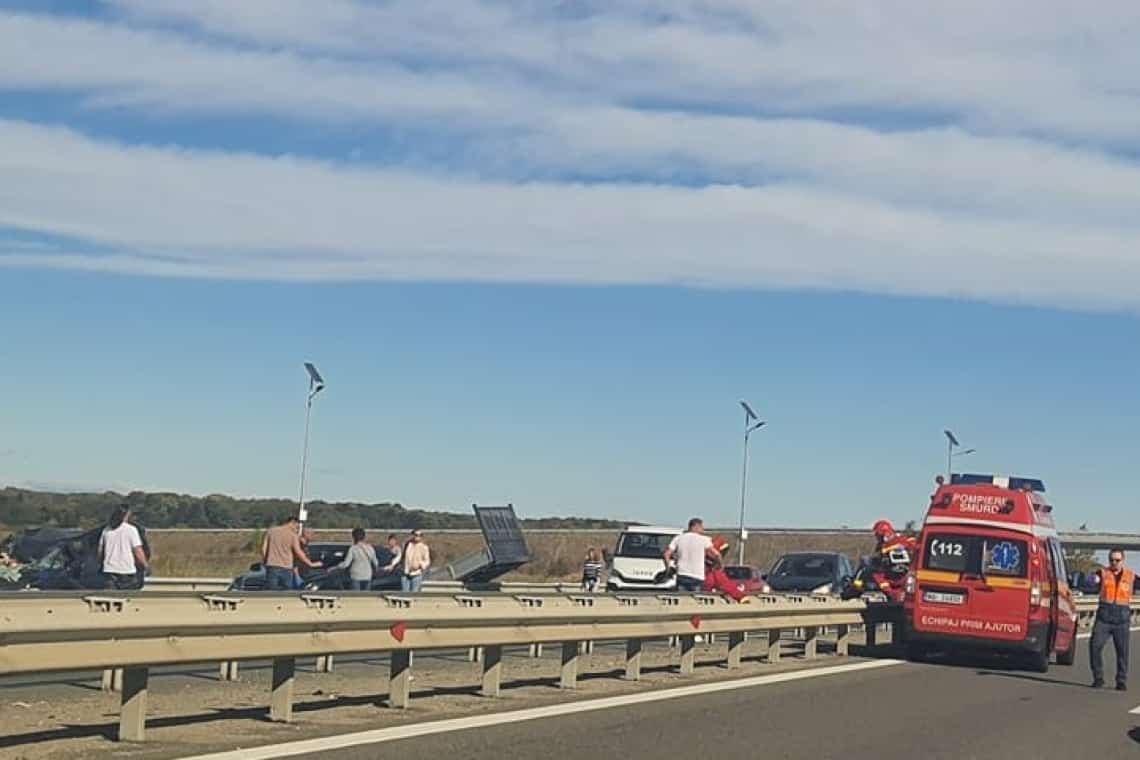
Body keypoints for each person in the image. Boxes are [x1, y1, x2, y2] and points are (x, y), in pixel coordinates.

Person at [1090, 548, 1133, 690]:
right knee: (1095, 647)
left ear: (1123, 560)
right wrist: (1092, 580)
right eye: (1111, 560)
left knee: (1122, 652)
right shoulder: (1102, 574)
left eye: (1117, 560)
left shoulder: (1131, 576)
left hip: (1122, 620)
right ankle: (1098, 678)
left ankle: (1121, 680)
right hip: (1104, 619)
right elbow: (1092, 581)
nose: (1114, 563)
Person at [262, 515, 321, 591]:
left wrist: (266, 562)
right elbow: (298, 552)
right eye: (297, 527)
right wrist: (310, 563)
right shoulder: (293, 535)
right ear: (292, 522)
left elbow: (264, 549)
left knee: (271, 591)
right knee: (287, 592)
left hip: (272, 567)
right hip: (286, 568)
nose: (296, 529)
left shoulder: (271, 531)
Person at [98, 504, 149, 590]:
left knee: (110, 599)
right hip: (127, 570)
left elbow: (100, 551)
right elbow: (137, 550)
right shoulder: (131, 530)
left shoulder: (107, 530)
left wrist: (101, 563)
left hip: (109, 571)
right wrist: (145, 565)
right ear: (126, 515)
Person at [663, 517, 721, 592]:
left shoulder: (678, 538)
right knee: (696, 601)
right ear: (695, 527)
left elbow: (666, 554)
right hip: (697, 576)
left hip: (682, 574)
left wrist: (668, 568)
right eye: (701, 528)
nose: (703, 530)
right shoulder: (704, 539)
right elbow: (717, 554)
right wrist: (719, 564)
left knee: (682, 600)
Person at [702, 536, 750, 602]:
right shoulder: (713, 572)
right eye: (722, 553)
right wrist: (742, 597)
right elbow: (725, 585)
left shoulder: (699, 566)